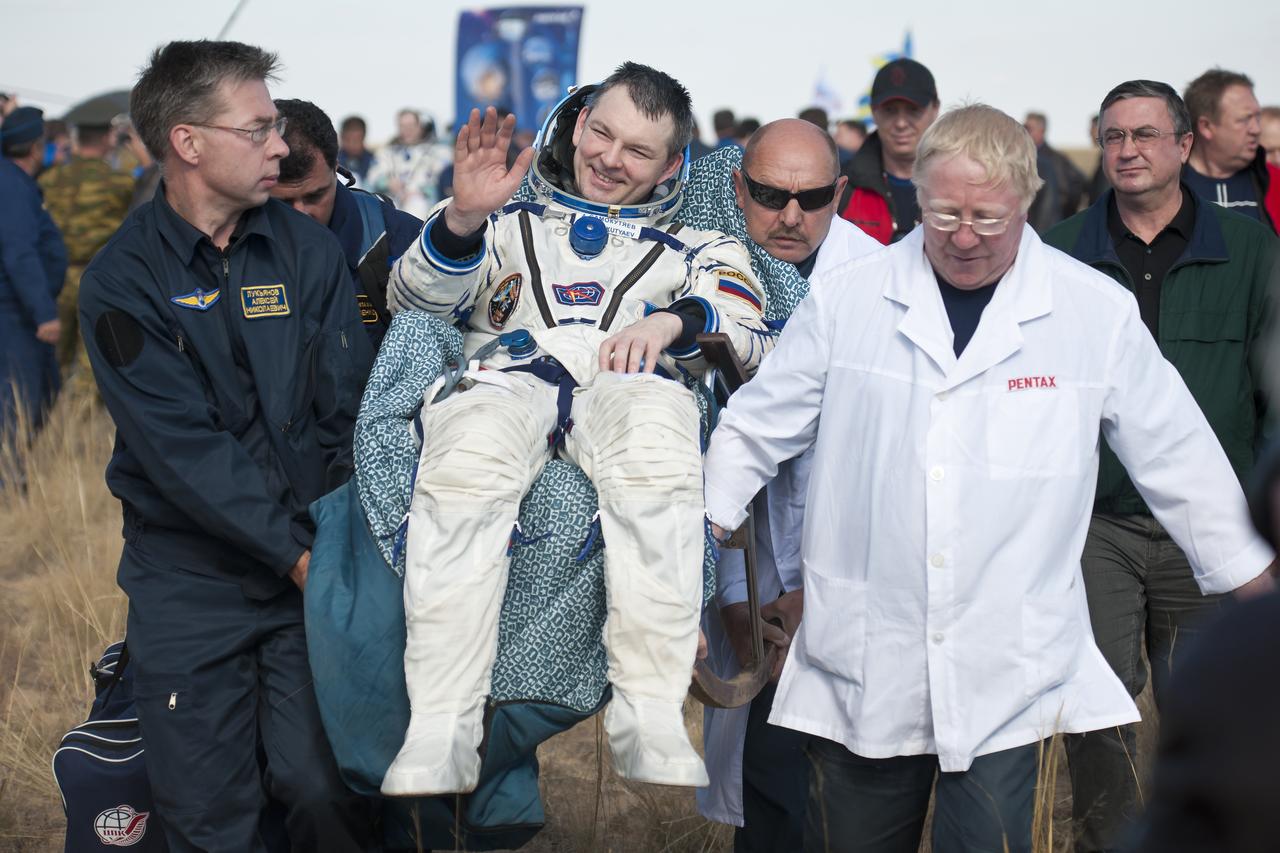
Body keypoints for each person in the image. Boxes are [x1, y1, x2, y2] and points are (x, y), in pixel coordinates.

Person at [701, 103, 1274, 853]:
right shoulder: (850, 299)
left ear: (1027, 202)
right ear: (918, 197)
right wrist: (697, 538)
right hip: (868, 655)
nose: (964, 236)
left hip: (1007, 663)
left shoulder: (1091, 311)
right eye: (943, 214)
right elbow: (755, 429)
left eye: (987, 218)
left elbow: (1179, 455)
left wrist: (1254, 584)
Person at [381, 61, 770, 798]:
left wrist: (672, 322)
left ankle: (649, 711)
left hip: (631, 386)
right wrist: (461, 220)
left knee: (658, 449)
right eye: (603, 134)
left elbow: (750, 333)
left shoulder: (701, 246)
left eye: (638, 151)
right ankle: (440, 727)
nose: (610, 159)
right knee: (464, 463)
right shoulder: (501, 221)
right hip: (506, 381)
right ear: (579, 122)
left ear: (671, 167)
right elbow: (411, 301)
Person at [76, 40, 378, 852]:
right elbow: (183, 452)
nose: (280, 145)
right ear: (188, 142)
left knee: (327, 791)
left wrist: (338, 553)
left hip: (309, 575)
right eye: (259, 128)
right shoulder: (122, 280)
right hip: (191, 584)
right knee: (211, 817)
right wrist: (296, 555)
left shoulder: (308, 252)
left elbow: (346, 411)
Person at [1043, 79, 1278, 853]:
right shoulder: (1060, 250)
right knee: (1096, 705)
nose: (1127, 150)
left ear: (1184, 144)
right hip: (1095, 523)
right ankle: (1105, 839)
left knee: (1211, 704)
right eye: (1113, 136)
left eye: (1145, 134)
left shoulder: (1248, 248)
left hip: (1211, 525)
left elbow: (1273, 392)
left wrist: (1264, 523)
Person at [694, 118, 882, 852]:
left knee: (848, 793)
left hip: (855, 579)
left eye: (813, 199)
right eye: (771, 196)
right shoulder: (704, 277)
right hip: (752, 580)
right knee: (771, 782)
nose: (792, 216)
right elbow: (710, 451)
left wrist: (821, 591)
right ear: (739, 188)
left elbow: (885, 464)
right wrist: (735, 600)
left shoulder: (881, 288)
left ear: (842, 193)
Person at [270, 98, 423, 351]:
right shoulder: (227, 237)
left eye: (315, 196)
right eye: (283, 202)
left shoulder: (396, 237)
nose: (301, 214)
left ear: (337, 170)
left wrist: (460, 228)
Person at [38, 103, 135, 397]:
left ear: (77, 137)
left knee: (50, 359)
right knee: (91, 365)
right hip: (96, 279)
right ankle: (79, 421)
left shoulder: (49, 179)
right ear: (107, 137)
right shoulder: (120, 183)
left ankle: (41, 419)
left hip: (52, 278)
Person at [0, 105, 66, 441]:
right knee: (19, 405)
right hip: (15, 314)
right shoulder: (11, 186)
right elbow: (19, 253)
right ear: (36, 148)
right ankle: (11, 471)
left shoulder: (16, 182)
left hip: (20, 311)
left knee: (44, 389)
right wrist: (44, 314)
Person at [837, 57, 939, 244]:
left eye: (913, 110)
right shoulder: (841, 187)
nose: (901, 123)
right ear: (873, 112)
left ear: (935, 108)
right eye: (890, 110)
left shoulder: (959, 185)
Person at [1182, 69, 1280, 233]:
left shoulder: (1274, 182)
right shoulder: (1168, 186)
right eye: (1245, 119)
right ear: (1206, 127)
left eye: (1257, 118)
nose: (1256, 129)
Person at [365, 108, 451, 219]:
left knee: (416, 204)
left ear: (420, 126)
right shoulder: (387, 153)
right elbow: (372, 177)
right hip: (393, 200)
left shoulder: (439, 152)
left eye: (411, 125)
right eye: (403, 126)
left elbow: (444, 180)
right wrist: (387, 183)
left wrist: (421, 192)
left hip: (425, 206)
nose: (407, 130)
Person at [1024, 111, 1085, 232]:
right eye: (1023, 128)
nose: (1025, 132)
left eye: (1029, 128)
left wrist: (1063, 216)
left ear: (1041, 131)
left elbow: (1070, 190)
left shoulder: (1055, 160)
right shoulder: (1024, 157)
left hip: (1046, 228)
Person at [337, 114, 374, 185]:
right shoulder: (333, 162)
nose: (352, 145)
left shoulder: (373, 161)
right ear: (341, 137)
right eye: (348, 140)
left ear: (363, 137)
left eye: (356, 140)